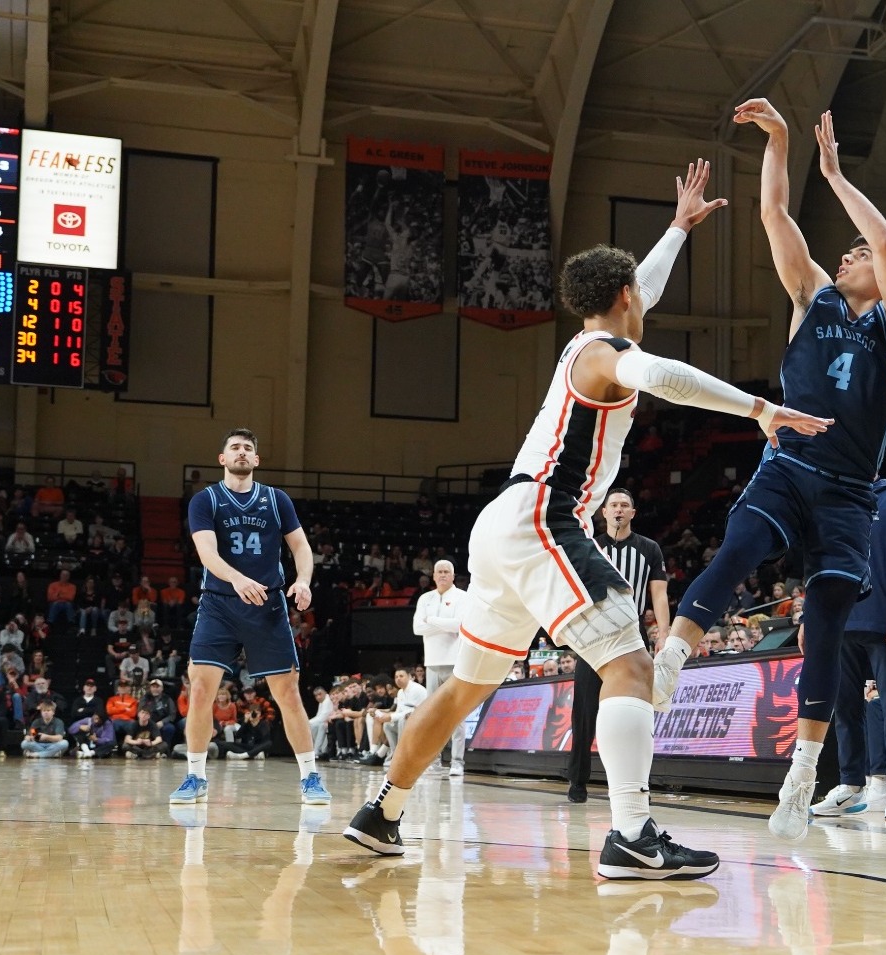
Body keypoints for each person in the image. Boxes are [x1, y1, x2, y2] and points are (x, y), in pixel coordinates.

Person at [341, 160, 826, 880]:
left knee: (463, 689)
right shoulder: (608, 354)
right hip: (543, 518)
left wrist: (675, 231)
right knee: (629, 665)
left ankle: (381, 812)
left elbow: (641, 295)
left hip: (503, 523)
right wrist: (760, 408)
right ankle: (632, 834)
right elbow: (659, 374)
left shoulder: (588, 341)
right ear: (624, 298)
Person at [649, 101, 886, 843]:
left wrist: (832, 173)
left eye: (855, 255)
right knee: (737, 550)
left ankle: (804, 774)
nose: (847, 258)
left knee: (826, 620)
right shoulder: (811, 297)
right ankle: (672, 656)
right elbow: (773, 213)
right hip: (787, 464)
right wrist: (776, 141)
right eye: (845, 255)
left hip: (847, 494)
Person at [168, 428, 325, 807]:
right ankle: (195, 776)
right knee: (201, 690)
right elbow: (207, 554)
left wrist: (303, 581)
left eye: (248, 449)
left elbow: (301, 546)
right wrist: (237, 579)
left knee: (288, 693)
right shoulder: (205, 500)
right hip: (219, 603)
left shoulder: (276, 499)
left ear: (256, 460)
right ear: (222, 459)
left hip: (267, 604)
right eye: (234, 448)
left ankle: (310, 777)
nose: (242, 452)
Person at [812, 476, 886, 819]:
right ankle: (849, 784)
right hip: (841, 622)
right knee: (844, 709)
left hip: (885, 622)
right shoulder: (833, 501)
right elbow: (821, 562)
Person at [566, 489, 670, 802]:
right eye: (614, 505)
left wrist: (663, 633)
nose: (619, 510)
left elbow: (660, 594)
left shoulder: (649, 548)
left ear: (633, 513)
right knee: (584, 710)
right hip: (593, 631)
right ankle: (577, 782)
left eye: (625, 505)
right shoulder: (589, 546)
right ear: (604, 512)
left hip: (632, 632)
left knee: (638, 709)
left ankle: (639, 783)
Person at [412, 559, 468, 777]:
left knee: (457, 714)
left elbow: (460, 625)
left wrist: (433, 621)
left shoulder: (462, 597)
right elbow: (417, 628)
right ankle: (433, 760)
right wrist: (444, 625)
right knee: (432, 715)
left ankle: (457, 762)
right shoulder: (425, 598)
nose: (443, 575)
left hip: (455, 662)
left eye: (447, 572)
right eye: (439, 572)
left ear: (453, 576)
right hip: (432, 663)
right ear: (433, 576)